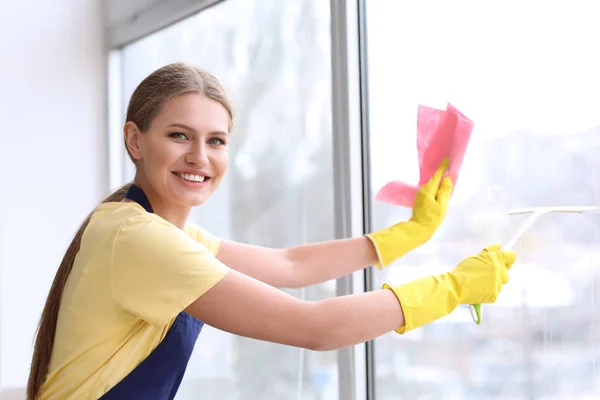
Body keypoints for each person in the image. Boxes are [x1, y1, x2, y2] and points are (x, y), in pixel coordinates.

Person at [27, 62, 516, 400]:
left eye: (215, 141)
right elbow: (316, 327)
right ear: (135, 139)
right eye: (180, 135)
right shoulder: (138, 239)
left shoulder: (150, 229)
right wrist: (450, 289)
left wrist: (409, 233)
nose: (200, 156)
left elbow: (290, 266)